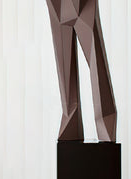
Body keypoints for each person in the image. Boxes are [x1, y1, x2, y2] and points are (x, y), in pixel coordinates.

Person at [46, 0, 117, 142]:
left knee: (95, 60)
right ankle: (70, 119)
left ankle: (105, 121)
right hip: (56, 4)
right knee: (64, 68)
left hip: (83, 4)